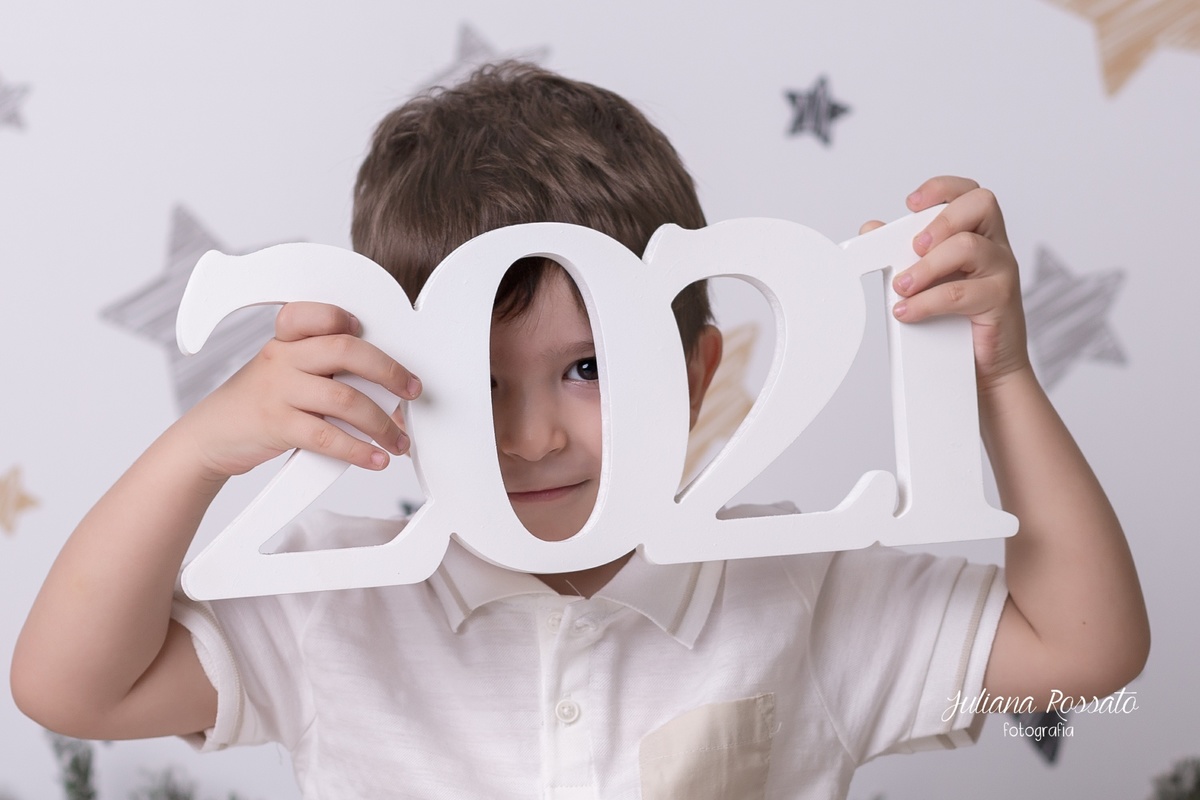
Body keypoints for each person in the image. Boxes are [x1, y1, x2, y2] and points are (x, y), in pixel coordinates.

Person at [11, 62, 1148, 798]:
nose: (533, 438)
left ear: (698, 376)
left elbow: (1086, 655)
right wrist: (198, 450)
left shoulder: (807, 592)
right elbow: (73, 689)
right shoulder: (332, 604)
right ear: (395, 379)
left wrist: (1001, 377)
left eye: (587, 368)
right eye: (478, 382)